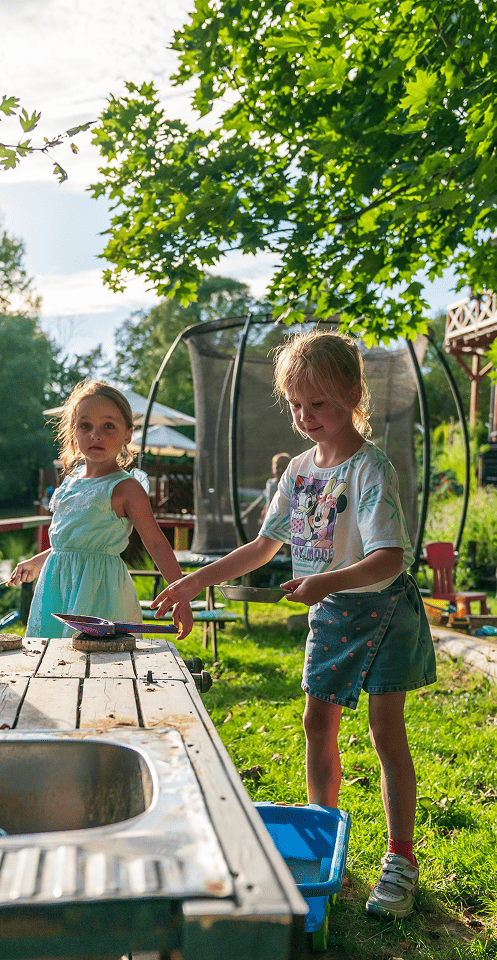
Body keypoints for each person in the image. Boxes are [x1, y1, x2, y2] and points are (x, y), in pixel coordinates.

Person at [153, 330, 434, 920]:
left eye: (320, 404)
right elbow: (262, 546)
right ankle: (319, 835)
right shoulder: (300, 471)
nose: (306, 418)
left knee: (387, 735)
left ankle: (400, 860)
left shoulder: (369, 468)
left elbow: (391, 558)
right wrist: (194, 582)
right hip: (331, 613)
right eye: (298, 406)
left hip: (382, 612)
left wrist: (326, 582)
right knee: (316, 722)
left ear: (354, 394)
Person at [10, 381, 193, 641]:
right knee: (53, 667)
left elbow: (156, 542)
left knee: (100, 667)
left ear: (128, 434)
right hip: (55, 590)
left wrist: (180, 597)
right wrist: (37, 562)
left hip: (99, 593)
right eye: (86, 426)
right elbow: (74, 541)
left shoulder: (126, 488)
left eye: (108, 426)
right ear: (73, 431)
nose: (96, 434)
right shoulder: (70, 481)